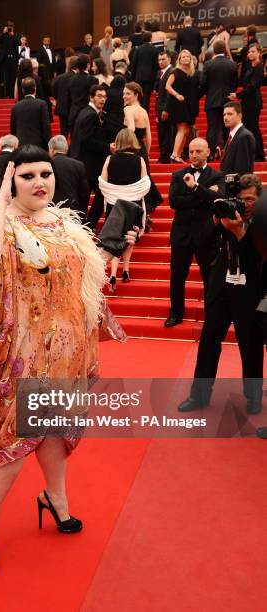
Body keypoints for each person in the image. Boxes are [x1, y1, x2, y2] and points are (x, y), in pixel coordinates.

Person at [0, 144, 135, 574]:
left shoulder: (61, 222)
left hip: (66, 350)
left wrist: (112, 249)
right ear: (10, 180)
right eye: (28, 176)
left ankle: (55, 499)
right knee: (13, 443)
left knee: (56, 431)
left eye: (45, 174)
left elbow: (79, 278)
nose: (40, 183)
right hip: (21, 354)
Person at [178, 174, 265, 414]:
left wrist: (239, 232)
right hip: (221, 287)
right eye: (241, 199)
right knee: (208, 342)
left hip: (249, 291)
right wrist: (216, 221)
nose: (244, 204)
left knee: (251, 346)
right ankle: (199, 395)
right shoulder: (227, 213)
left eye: (250, 199)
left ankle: (254, 398)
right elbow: (202, 240)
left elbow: (257, 259)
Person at [165, 138, 224, 327]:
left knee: (210, 278)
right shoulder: (178, 175)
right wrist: (203, 195)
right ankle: (175, 313)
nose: (194, 155)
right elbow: (174, 202)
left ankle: (212, 316)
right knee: (177, 277)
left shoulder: (217, 176)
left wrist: (195, 188)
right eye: (191, 152)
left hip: (207, 235)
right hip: (182, 234)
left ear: (208, 152)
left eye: (199, 151)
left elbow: (218, 199)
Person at [99, 128, 150, 291]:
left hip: (114, 205)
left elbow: (103, 183)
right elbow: (145, 184)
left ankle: (113, 273)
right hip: (132, 205)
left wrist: (117, 194)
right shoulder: (139, 160)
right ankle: (126, 269)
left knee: (114, 238)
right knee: (129, 239)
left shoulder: (110, 159)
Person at [69, 84, 114, 230]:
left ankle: (85, 226)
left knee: (85, 197)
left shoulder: (87, 112)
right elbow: (87, 141)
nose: (102, 99)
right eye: (99, 96)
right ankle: (87, 226)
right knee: (98, 195)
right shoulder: (90, 115)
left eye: (104, 96)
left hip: (84, 163)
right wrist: (108, 147)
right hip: (88, 165)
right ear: (91, 97)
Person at [123, 81, 163, 216]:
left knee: (134, 182)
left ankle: (138, 212)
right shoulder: (144, 111)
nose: (124, 96)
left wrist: (125, 146)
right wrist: (146, 152)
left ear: (136, 95)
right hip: (142, 150)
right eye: (124, 93)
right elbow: (149, 137)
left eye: (127, 94)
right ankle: (146, 209)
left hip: (131, 149)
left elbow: (131, 129)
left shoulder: (127, 109)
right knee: (144, 179)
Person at [200, 40, 238, 160]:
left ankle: (210, 154)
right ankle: (227, 152)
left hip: (211, 100)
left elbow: (203, 84)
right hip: (228, 101)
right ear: (225, 50)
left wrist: (207, 93)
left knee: (212, 127)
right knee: (228, 126)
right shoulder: (232, 64)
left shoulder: (208, 64)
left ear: (214, 51)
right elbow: (235, 84)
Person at [165, 49, 199, 163]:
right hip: (178, 104)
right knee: (182, 128)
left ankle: (178, 155)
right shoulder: (175, 72)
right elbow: (167, 86)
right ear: (179, 59)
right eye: (183, 57)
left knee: (186, 130)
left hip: (188, 104)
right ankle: (174, 154)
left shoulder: (191, 73)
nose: (185, 58)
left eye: (187, 57)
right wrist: (177, 95)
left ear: (190, 59)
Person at [233, 44, 265, 162]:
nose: (249, 54)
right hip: (246, 102)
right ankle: (253, 154)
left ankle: (259, 155)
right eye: (248, 52)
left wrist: (237, 95)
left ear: (258, 53)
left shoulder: (259, 67)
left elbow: (252, 86)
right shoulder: (249, 66)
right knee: (249, 128)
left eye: (252, 51)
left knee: (253, 128)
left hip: (253, 103)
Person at [48, 134, 90, 219]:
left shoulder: (46, 164)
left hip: (49, 209)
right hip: (72, 210)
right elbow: (84, 193)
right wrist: (82, 214)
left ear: (51, 149)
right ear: (66, 149)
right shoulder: (78, 165)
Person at [10, 77, 51, 149]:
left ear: (22, 90)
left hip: (21, 145)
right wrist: (47, 145)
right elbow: (46, 127)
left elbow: (13, 130)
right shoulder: (42, 104)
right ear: (35, 88)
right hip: (38, 145)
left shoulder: (16, 107)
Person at [220, 101, 255, 175]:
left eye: (230, 114)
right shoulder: (233, 135)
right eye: (224, 114)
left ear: (240, 116)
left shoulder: (244, 136)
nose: (225, 118)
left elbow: (242, 170)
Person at [67, 54, 98, 132]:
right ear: (88, 65)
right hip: (88, 115)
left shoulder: (70, 80)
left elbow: (68, 98)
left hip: (73, 114)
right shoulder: (93, 79)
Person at [130, 32, 159, 112]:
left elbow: (134, 64)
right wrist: (155, 78)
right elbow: (156, 65)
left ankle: (140, 113)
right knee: (146, 96)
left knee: (140, 96)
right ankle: (145, 114)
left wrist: (132, 78)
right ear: (150, 38)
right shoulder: (154, 49)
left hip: (138, 76)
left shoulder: (138, 49)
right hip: (150, 77)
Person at [154, 50, 174, 164]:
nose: (160, 62)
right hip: (161, 108)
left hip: (165, 109)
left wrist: (165, 110)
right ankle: (164, 156)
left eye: (163, 59)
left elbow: (169, 94)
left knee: (165, 134)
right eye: (159, 60)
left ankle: (165, 158)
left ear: (169, 59)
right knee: (162, 133)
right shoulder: (162, 73)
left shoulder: (171, 72)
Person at [52, 56, 78, 137]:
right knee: (74, 132)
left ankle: (63, 149)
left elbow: (53, 91)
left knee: (63, 132)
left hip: (62, 108)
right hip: (74, 109)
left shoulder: (59, 77)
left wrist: (58, 99)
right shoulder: (77, 78)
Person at [0, 21, 21, 98]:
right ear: (6, 27)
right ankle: (7, 95)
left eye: (11, 26)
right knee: (6, 78)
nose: (10, 27)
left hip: (14, 59)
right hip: (5, 59)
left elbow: (19, 43)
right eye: (8, 26)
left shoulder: (17, 35)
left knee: (14, 77)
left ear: (13, 27)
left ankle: (13, 94)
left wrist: (13, 35)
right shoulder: (4, 35)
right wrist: (3, 33)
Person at [104, 74, 126, 142]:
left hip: (110, 120)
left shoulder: (108, 92)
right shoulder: (124, 93)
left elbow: (105, 107)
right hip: (121, 120)